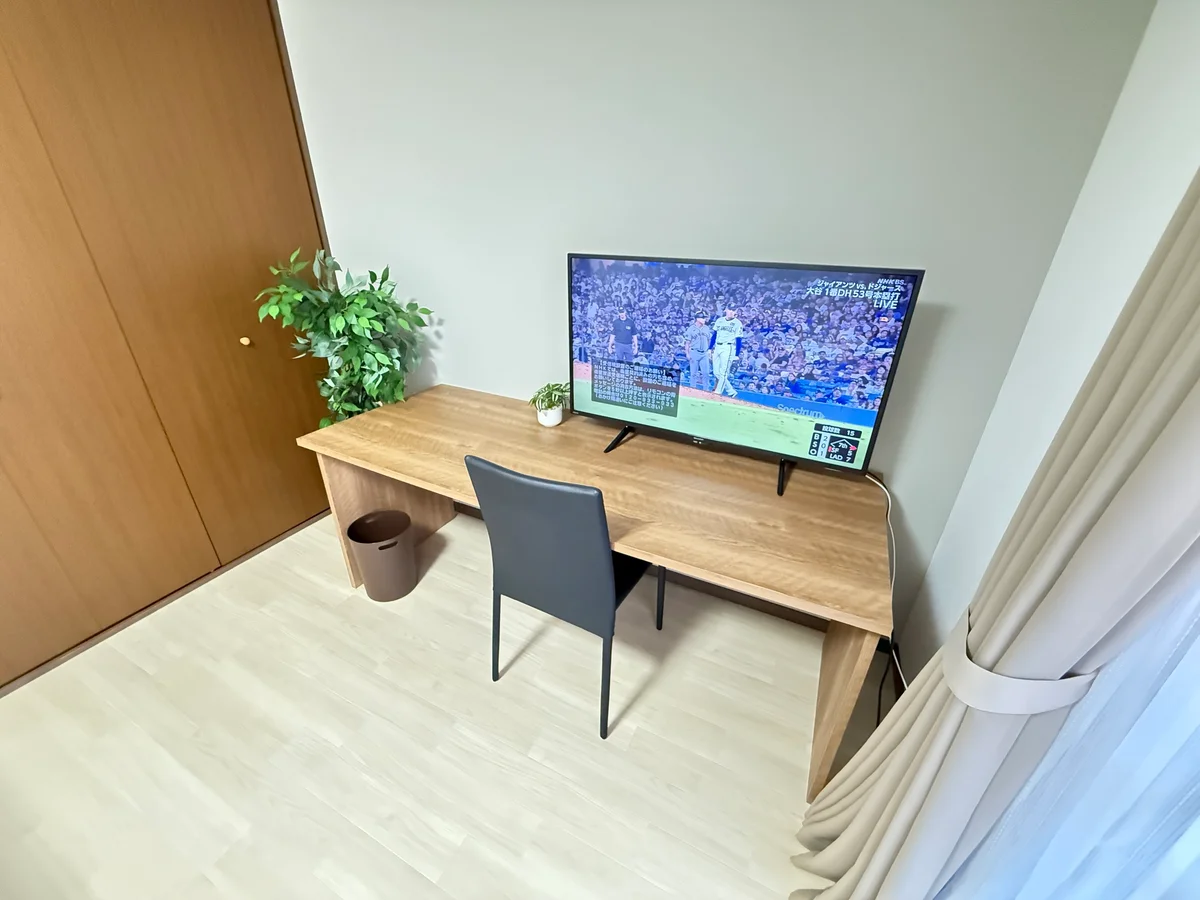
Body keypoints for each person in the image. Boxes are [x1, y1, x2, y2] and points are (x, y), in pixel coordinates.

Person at [712, 306, 744, 398]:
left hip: (728, 347)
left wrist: (737, 354)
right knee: (716, 372)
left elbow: (739, 339)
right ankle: (731, 390)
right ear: (726, 310)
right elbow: (714, 335)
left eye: (734, 310)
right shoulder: (719, 320)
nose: (731, 312)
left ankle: (718, 392)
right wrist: (710, 348)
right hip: (718, 346)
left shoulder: (737, 323)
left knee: (723, 372)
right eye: (730, 309)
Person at [681, 314, 713, 391]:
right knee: (693, 373)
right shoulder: (691, 329)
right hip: (694, 352)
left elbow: (709, 340)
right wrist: (687, 353)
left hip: (704, 353)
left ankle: (706, 390)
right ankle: (692, 390)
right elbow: (687, 343)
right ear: (697, 319)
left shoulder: (706, 328)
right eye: (703, 318)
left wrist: (709, 350)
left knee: (706, 373)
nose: (704, 320)